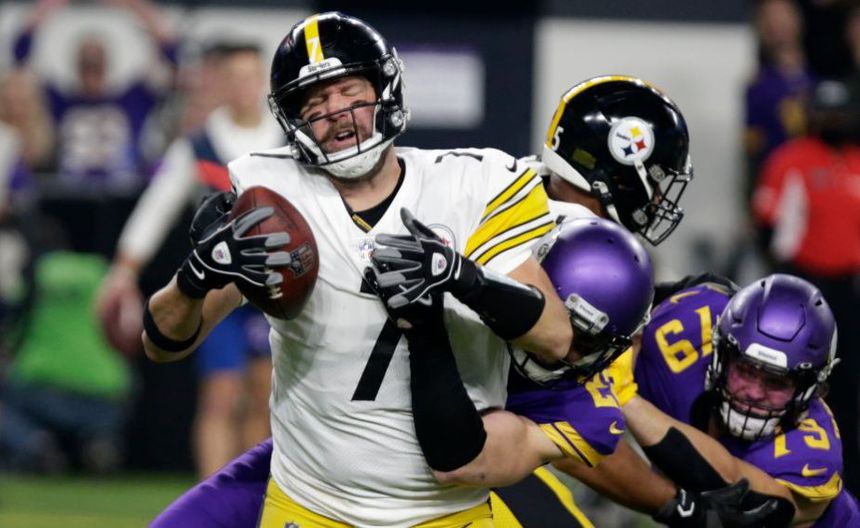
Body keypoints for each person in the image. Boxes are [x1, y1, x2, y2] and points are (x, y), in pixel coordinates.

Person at [149, 74, 700, 528]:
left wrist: (677, 501)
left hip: (448, 466)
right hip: (333, 455)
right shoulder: (486, 197)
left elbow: (529, 412)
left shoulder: (525, 220)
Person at [144, 11, 572, 527]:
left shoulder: (471, 185)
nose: (336, 112)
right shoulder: (272, 193)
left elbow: (555, 338)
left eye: (349, 91)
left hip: (448, 511)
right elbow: (162, 343)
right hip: (310, 507)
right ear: (294, 120)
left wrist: (463, 278)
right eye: (314, 103)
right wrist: (195, 277)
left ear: (385, 90)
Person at [96, 41, 283, 478]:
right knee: (220, 394)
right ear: (222, 83)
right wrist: (124, 270)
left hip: (274, 289)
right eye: (234, 78)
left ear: (263, 82)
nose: (243, 87)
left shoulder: (286, 142)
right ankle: (213, 494)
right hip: (220, 287)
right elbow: (157, 207)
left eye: (250, 77)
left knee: (265, 396)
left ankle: (254, 500)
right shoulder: (199, 145)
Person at [623, 273, 860, 526]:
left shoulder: (810, 452)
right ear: (720, 353)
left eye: (776, 382)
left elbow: (731, 484)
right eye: (745, 371)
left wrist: (622, 395)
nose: (754, 393)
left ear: (809, 388)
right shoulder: (690, 324)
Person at [752, 78, 860, 496]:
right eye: (826, 112)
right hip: (805, 286)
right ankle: (793, 469)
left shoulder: (856, 161)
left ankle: (848, 479)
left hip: (850, 291)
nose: (833, 120)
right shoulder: (790, 159)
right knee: (797, 381)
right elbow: (767, 221)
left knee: (848, 387)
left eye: (840, 113)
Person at [13, 0, 178, 191]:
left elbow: (171, 61)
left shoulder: (133, 99)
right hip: (68, 195)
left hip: (124, 196)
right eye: (86, 60)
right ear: (76, 64)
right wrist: (47, 9)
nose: (91, 64)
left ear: (106, 63)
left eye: (96, 59)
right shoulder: (59, 102)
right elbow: (21, 64)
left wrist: (134, 6)